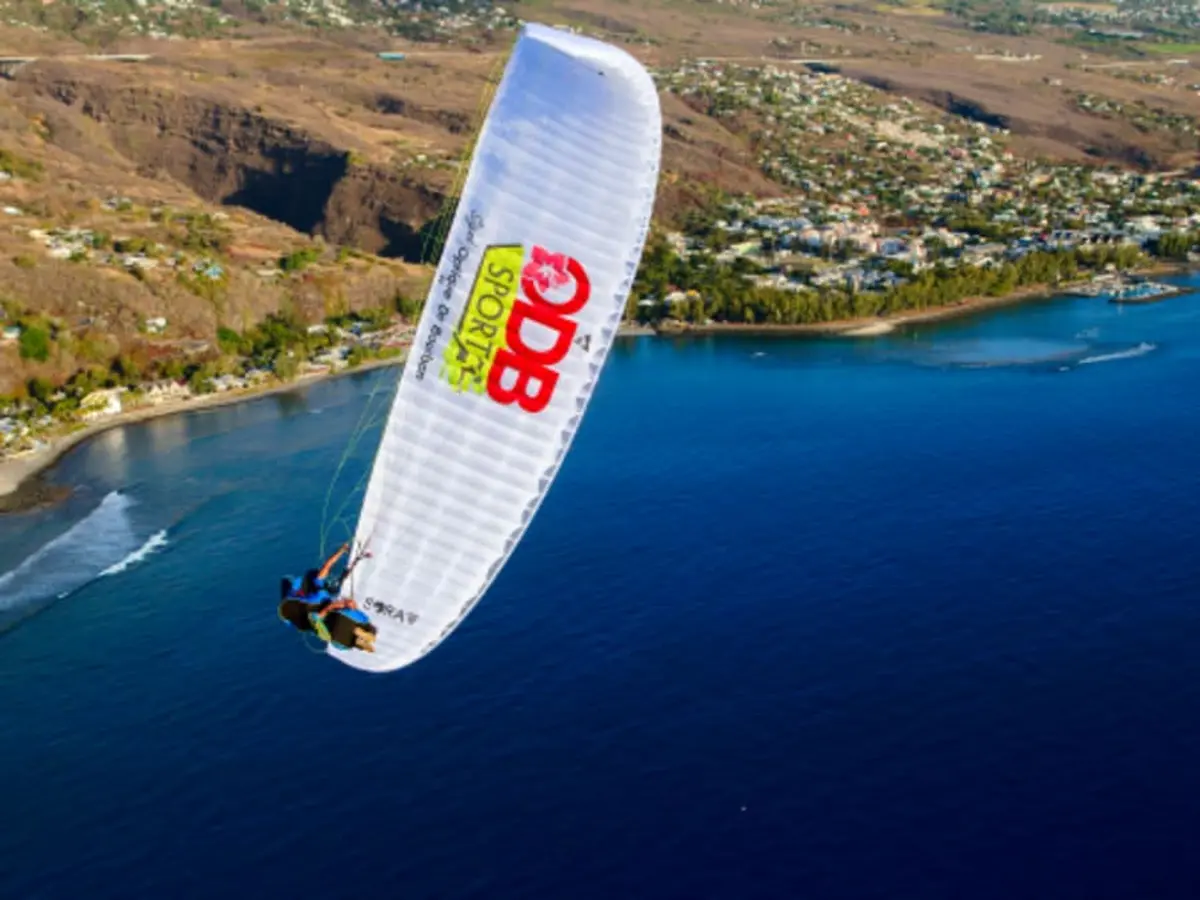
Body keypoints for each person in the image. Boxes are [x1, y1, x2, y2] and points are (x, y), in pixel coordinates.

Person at [278, 594, 378, 653]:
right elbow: (316, 617)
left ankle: (359, 641)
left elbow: (317, 623)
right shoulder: (314, 604)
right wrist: (333, 606)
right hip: (339, 622)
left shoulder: (302, 626)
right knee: (366, 624)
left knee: (342, 641)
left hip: (338, 636)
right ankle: (362, 635)